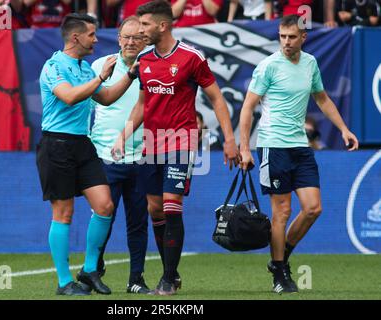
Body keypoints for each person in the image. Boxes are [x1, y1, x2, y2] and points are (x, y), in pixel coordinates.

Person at [112, 0, 240, 296]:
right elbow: (143, 105)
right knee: (155, 209)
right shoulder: (144, 60)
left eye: (144, 25)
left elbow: (218, 99)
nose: (140, 30)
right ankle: (173, 270)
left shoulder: (191, 57)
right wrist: (123, 135)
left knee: (171, 203)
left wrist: (230, 140)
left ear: (162, 25)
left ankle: (167, 278)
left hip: (180, 140)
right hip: (151, 143)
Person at [239, 14, 359, 294]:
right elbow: (247, 107)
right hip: (273, 145)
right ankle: (280, 272)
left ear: (303, 37)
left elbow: (321, 98)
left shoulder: (310, 63)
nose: (286, 42)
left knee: (313, 208)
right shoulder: (268, 66)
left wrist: (343, 129)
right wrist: (245, 147)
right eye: (282, 36)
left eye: (292, 37)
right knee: (282, 211)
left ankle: (279, 260)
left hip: (300, 147)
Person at [37, 13, 139, 296]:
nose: (96, 39)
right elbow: (69, 96)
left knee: (105, 206)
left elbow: (104, 97)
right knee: (63, 213)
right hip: (56, 145)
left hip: (82, 144)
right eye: (92, 34)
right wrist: (101, 77)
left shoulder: (83, 68)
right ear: (76, 37)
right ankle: (63, 282)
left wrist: (130, 75)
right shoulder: (54, 66)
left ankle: (90, 269)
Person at [89, 15, 151, 294]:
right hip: (105, 156)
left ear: (146, 39)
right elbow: (88, 107)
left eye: (136, 37)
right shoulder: (101, 66)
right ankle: (94, 268)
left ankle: (135, 279)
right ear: (118, 38)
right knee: (103, 217)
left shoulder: (153, 67)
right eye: (125, 37)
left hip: (142, 155)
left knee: (138, 221)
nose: (130, 42)